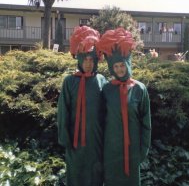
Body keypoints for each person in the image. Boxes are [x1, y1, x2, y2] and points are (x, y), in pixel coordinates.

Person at [97, 27, 151, 186]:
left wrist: (143, 150)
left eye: (122, 65)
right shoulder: (106, 89)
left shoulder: (140, 89)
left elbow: (146, 124)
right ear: (111, 68)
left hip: (132, 151)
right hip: (111, 151)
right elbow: (100, 121)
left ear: (128, 64)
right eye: (115, 66)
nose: (119, 69)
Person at [57, 26, 107, 186]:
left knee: (95, 176)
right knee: (76, 175)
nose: (88, 63)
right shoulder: (69, 81)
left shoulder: (101, 80)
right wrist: (65, 138)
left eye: (91, 59)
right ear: (79, 59)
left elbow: (108, 112)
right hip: (74, 141)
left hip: (96, 141)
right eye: (85, 59)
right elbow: (63, 111)